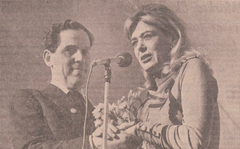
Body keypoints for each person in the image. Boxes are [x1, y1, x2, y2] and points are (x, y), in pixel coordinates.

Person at [109, 4, 220, 149]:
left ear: (172, 37)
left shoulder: (192, 67)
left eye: (147, 37)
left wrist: (138, 129)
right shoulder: (155, 89)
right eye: (134, 42)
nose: (139, 48)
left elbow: (194, 141)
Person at [4, 19, 97, 149]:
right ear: (48, 58)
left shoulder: (92, 109)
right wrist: (93, 143)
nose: (81, 58)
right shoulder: (30, 100)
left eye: (85, 51)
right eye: (69, 50)